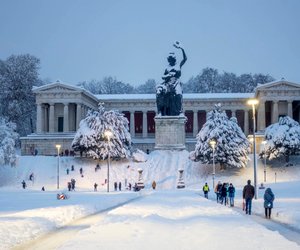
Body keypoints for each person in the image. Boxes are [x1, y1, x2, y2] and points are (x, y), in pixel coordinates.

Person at [156, 41, 187, 116]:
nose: (170, 60)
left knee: (178, 94)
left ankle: (179, 112)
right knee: (159, 93)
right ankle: (160, 111)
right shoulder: (167, 67)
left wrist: (182, 49)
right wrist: (168, 75)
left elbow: (185, 59)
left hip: (176, 83)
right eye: (169, 59)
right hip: (168, 84)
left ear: (174, 59)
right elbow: (163, 77)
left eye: (171, 59)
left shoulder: (178, 65)